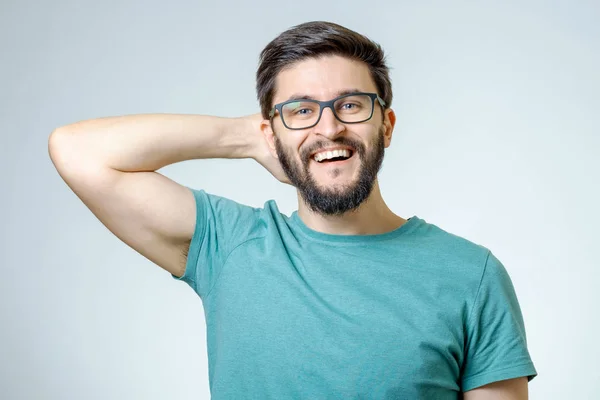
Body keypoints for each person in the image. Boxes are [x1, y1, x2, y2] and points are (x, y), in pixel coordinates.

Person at [49, 21, 536, 399]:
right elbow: (77, 151)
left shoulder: (471, 274)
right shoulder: (230, 243)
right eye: (301, 110)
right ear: (270, 134)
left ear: (386, 126)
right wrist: (248, 137)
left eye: (350, 105)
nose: (328, 128)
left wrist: (289, 126)